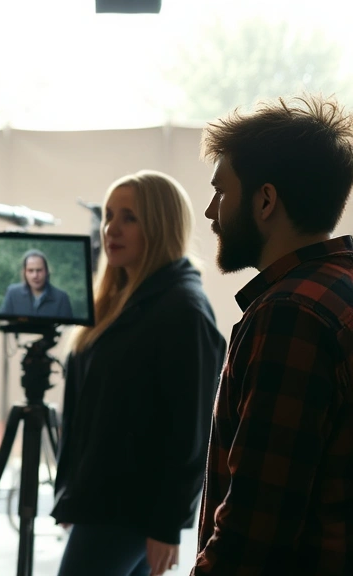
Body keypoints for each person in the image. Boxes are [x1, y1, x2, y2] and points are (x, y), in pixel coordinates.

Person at [193, 95, 353, 575]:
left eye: (221, 191)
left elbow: (255, 530)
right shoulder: (339, 288)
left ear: (265, 200)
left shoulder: (290, 315)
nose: (209, 212)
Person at [52, 170, 226, 576]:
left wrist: (168, 526)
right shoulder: (115, 300)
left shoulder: (183, 310)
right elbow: (88, 411)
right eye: (109, 215)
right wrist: (71, 494)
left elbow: (191, 432)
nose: (111, 228)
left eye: (129, 217)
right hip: (100, 502)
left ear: (161, 224)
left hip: (130, 510)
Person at [0, 249, 74, 318]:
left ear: (46, 271)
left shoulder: (61, 298)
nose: (35, 276)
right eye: (30, 271)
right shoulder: (13, 293)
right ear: (24, 273)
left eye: (39, 270)